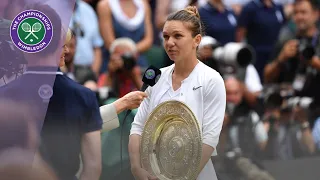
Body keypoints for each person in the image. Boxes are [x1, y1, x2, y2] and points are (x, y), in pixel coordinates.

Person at [129, 6, 226, 180]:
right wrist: (137, 169)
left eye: (177, 36)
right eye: (166, 36)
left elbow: (209, 139)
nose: (169, 42)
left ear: (197, 40)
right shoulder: (157, 76)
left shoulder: (212, 79)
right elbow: (138, 127)